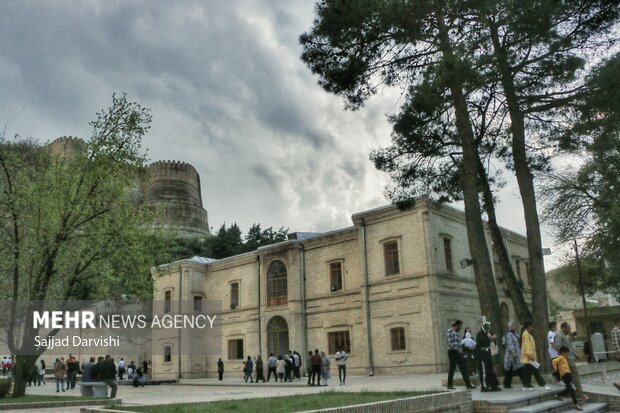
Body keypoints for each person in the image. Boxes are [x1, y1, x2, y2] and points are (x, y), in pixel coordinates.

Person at [555, 322, 588, 400]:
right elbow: (558, 347)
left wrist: (576, 356)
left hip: (571, 358)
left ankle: (574, 392)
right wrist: (564, 358)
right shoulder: (560, 336)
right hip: (568, 360)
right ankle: (580, 394)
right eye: (568, 328)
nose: (569, 329)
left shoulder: (565, 337)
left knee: (571, 378)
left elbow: (569, 348)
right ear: (563, 328)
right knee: (576, 376)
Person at [446, 320, 476, 390]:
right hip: (452, 352)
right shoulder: (450, 331)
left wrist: (462, 349)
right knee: (452, 369)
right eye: (459, 326)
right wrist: (458, 349)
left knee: (463, 368)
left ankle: (468, 384)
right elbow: (450, 343)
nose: (460, 327)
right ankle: (449, 385)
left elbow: (459, 343)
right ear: (456, 325)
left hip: (459, 353)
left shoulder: (458, 333)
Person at [520, 321, 549, 391]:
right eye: (531, 326)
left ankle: (526, 386)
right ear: (528, 326)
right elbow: (527, 345)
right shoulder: (525, 334)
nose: (532, 327)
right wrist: (530, 355)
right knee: (536, 372)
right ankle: (542, 385)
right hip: (529, 357)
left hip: (528, 358)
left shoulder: (526, 334)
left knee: (527, 373)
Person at [553, 346, 584, 411]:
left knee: (568, 389)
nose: (567, 354)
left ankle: (557, 395)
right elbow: (554, 361)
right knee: (571, 389)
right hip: (565, 375)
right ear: (563, 353)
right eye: (566, 353)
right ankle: (576, 404)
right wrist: (555, 369)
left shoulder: (564, 358)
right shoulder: (560, 357)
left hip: (568, 374)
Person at [475, 321, 501, 392]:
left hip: (488, 355)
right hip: (481, 355)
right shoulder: (480, 334)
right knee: (484, 371)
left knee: (490, 370)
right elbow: (483, 343)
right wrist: (490, 337)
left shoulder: (488, 333)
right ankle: (484, 387)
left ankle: (493, 385)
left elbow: (493, 341)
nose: (489, 329)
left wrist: (493, 337)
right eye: (488, 327)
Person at [502, 321, 523, 389]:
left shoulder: (515, 334)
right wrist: (513, 351)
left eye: (515, 325)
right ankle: (506, 384)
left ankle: (507, 384)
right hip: (510, 355)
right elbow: (510, 343)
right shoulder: (509, 334)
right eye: (513, 325)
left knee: (512, 369)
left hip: (517, 354)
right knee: (510, 369)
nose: (515, 326)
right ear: (510, 327)